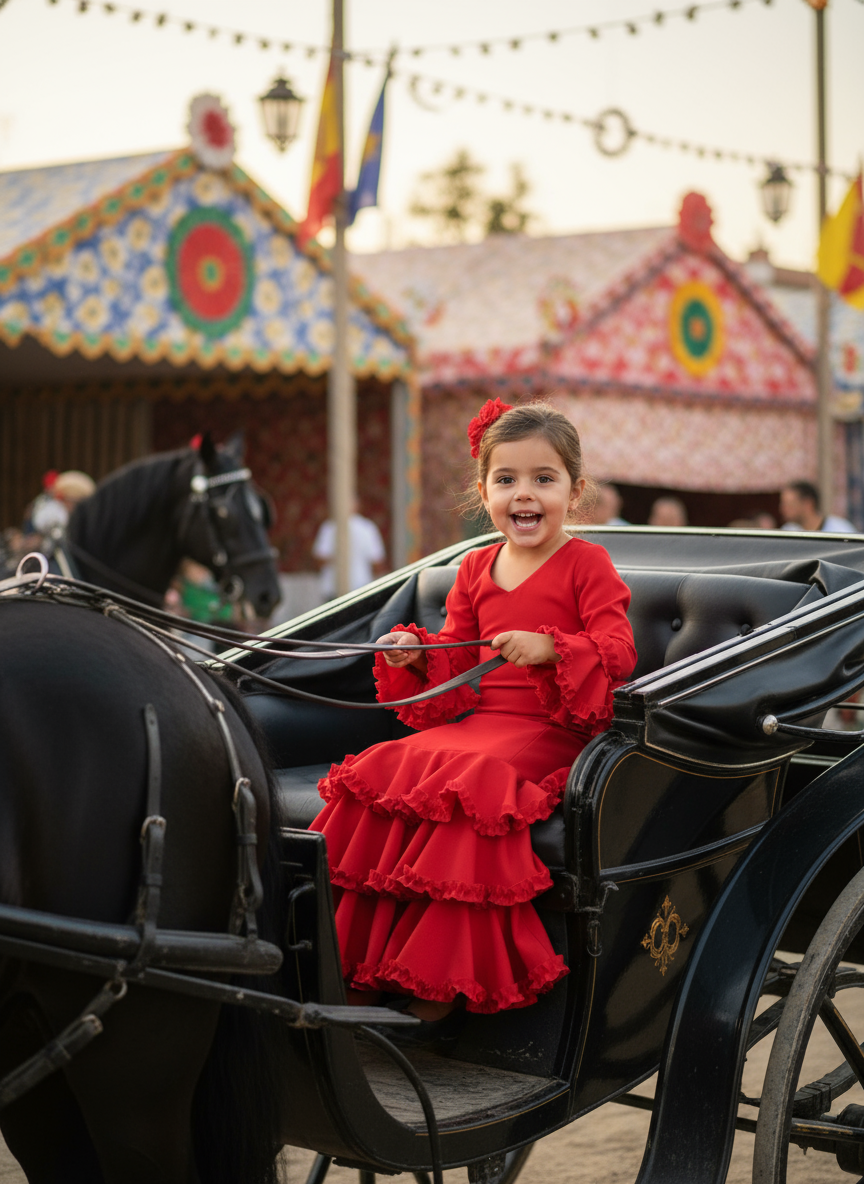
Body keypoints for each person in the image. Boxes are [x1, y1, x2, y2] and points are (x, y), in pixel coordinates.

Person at [310, 399, 637, 1038]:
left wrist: (552, 648)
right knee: (381, 767)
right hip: (480, 724)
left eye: (544, 479)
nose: (524, 494)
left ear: (574, 491)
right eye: (506, 479)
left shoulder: (587, 563)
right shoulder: (475, 567)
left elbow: (619, 651)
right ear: (483, 491)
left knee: (474, 781)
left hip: (551, 729)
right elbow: (456, 658)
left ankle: (438, 981)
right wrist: (413, 652)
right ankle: (357, 965)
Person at [312, 498, 386, 599]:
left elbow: (320, 560)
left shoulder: (329, 527)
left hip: (337, 588)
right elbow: (377, 563)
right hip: (359, 588)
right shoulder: (367, 528)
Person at [780, 481, 855, 533]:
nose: (782, 509)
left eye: (789, 505)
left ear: (808, 504)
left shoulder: (840, 529)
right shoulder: (788, 530)